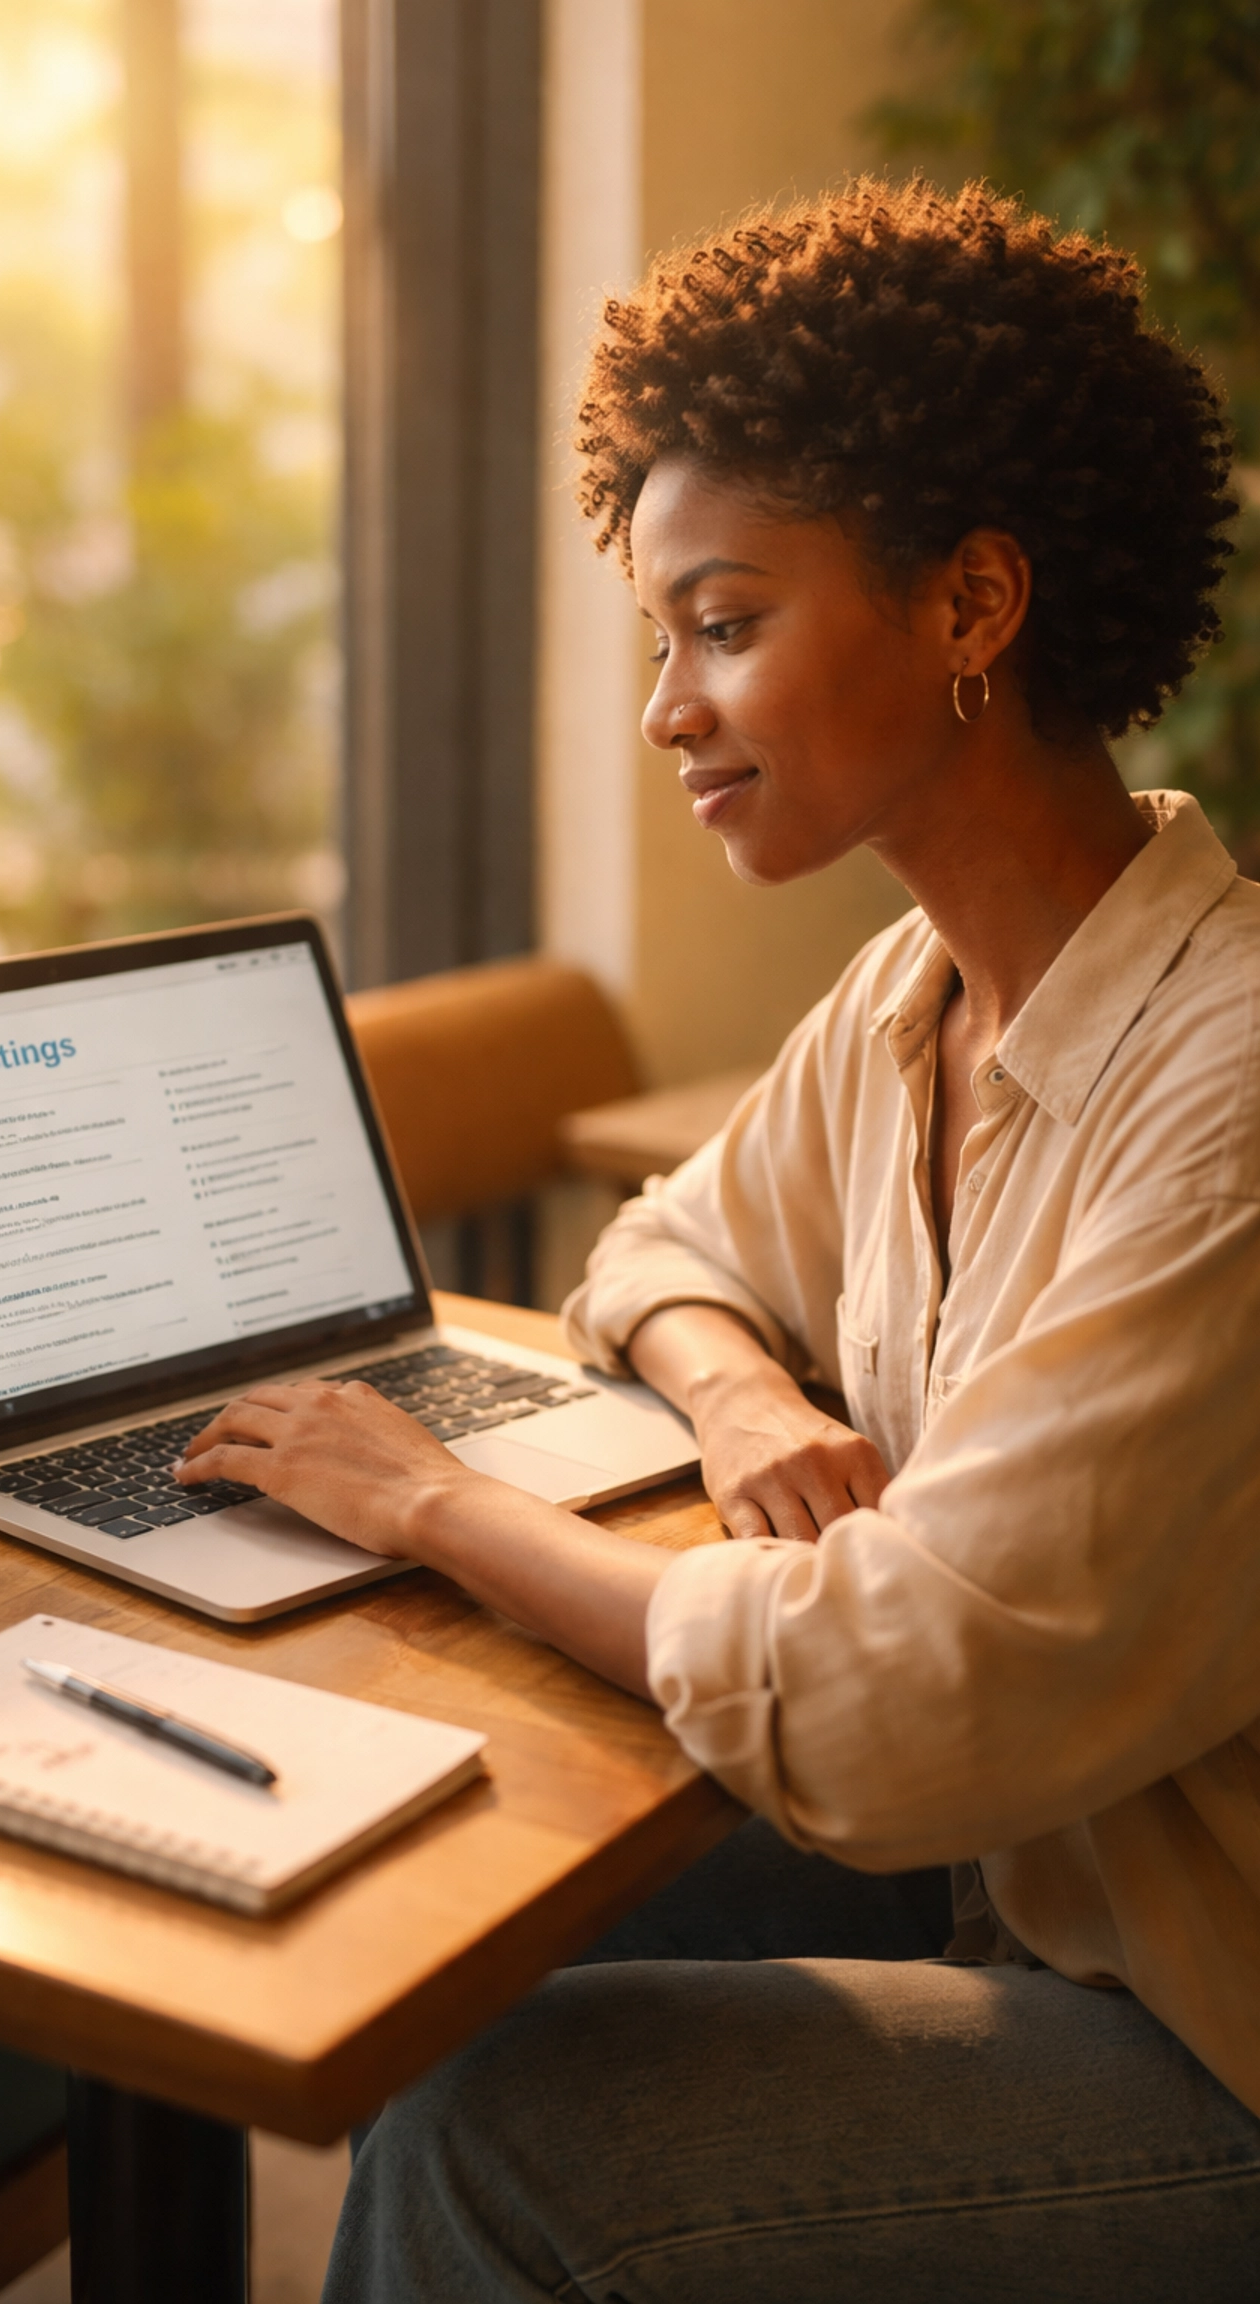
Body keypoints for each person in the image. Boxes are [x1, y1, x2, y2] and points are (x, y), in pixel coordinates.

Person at [178, 180, 1260, 2296]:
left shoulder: (1222, 1100)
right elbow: (661, 1247)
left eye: (728, 621)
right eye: (662, 635)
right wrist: (751, 1394)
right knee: (437, 1890)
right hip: (1026, 1879)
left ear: (974, 607)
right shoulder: (919, 999)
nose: (670, 703)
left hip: (1211, 2025)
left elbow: (888, 1698)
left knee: (513, 2139)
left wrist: (438, 1506)